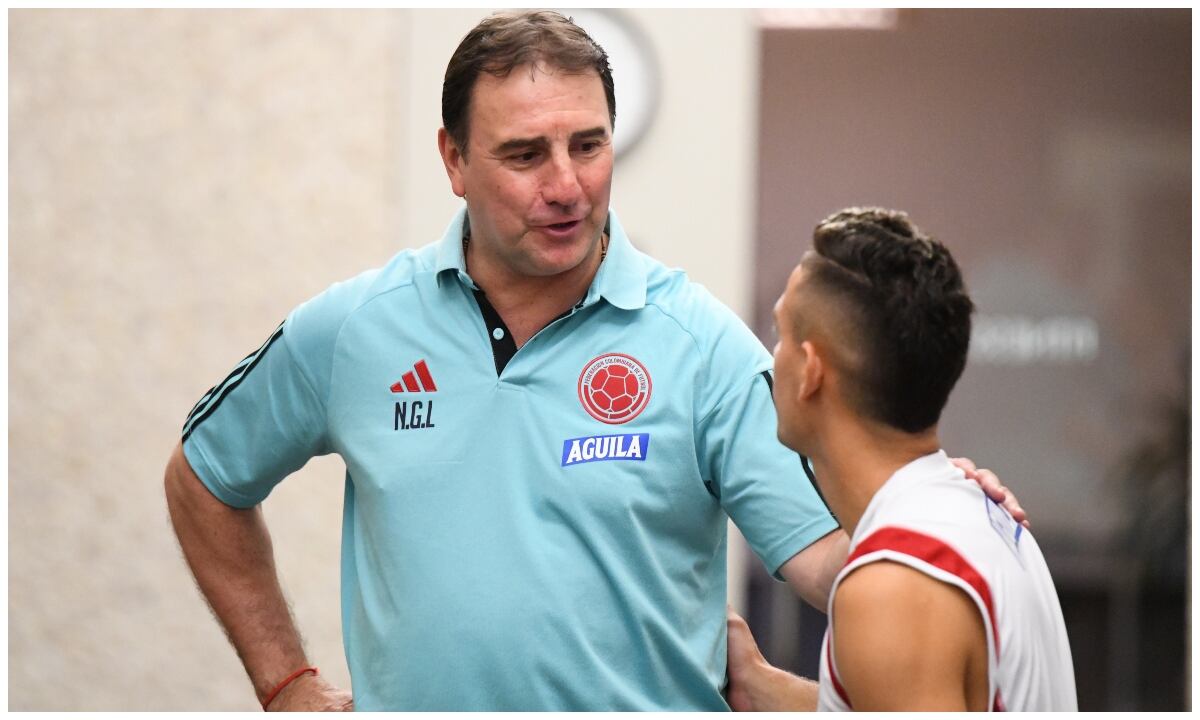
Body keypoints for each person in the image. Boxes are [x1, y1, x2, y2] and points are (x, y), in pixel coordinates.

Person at [164, 11, 1021, 711]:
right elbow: (203, 477)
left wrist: (930, 518)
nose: (567, 184)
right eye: (526, 154)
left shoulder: (699, 345)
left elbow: (835, 562)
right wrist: (288, 685)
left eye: (588, 144)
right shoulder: (357, 330)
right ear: (454, 160)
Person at [724, 208, 1076, 711]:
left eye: (781, 336)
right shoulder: (977, 515)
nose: (770, 355)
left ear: (811, 372)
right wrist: (763, 688)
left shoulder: (893, 581)